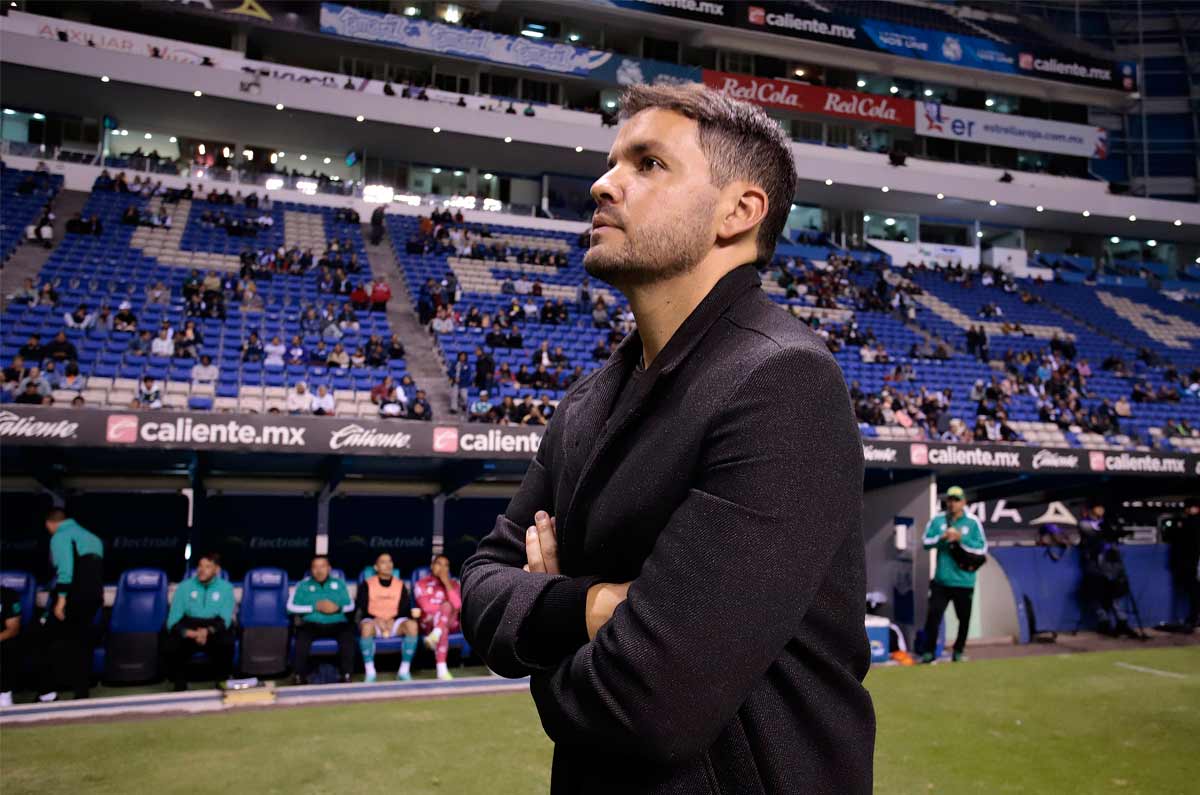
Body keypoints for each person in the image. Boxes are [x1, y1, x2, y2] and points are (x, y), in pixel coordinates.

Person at [460, 83, 873, 794]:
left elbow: (649, 699)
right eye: (614, 160)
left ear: (738, 212)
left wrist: (546, 647)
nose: (602, 183)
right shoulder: (588, 402)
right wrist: (589, 606)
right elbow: (479, 586)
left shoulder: (782, 383)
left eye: (647, 164)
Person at [38, 508, 104, 701]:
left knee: (43, 639)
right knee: (81, 644)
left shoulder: (60, 536)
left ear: (50, 524)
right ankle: (81, 692)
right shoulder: (93, 538)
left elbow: (66, 570)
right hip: (93, 599)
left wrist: (60, 601)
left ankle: (46, 693)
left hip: (72, 598)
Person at [919, 486, 988, 663]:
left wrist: (960, 539)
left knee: (964, 619)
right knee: (933, 617)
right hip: (941, 580)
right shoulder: (938, 520)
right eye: (950, 499)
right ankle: (929, 652)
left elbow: (982, 548)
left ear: (964, 502)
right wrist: (942, 538)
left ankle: (958, 651)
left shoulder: (972, 522)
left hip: (964, 581)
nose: (953, 503)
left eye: (956, 500)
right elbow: (925, 542)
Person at [164, 553, 235, 691]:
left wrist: (207, 631)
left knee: (227, 640)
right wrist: (189, 633)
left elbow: (225, 620)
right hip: (189, 626)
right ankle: (179, 684)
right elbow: (173, 620)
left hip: (213, 628)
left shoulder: (226, 588)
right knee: (171, 642)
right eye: (200, 566)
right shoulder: (184, 587)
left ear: (217, 570)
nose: (202, 570)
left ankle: (222, 682)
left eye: (208, 567)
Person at [288, 556, 355, 684]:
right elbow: (290, 607)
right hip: (312, 624)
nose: (319, 570)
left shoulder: (340, 583)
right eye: (315, 567)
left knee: (347, 635)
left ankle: (346, 675)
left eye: (322, 566)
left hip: (336, 623)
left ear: (329, 568)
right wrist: (314, 607)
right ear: (311, 570)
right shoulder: (302, 585)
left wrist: (337, 608)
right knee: (302, 636)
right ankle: (298, 676)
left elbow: (351, 605)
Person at [1078, 501, 1137, 638]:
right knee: (1096, 593)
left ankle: (1122, 622)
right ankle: (1103, 622)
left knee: (1115, 592)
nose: (1101, 510)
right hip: (1094, 565)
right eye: (1098, 507)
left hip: (1112, 564)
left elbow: (1114, 535)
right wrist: (1108, 530)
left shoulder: (1107, 522)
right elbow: (1094, 535)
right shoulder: (1085, 523)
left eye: (1102, 507)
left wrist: (1115, 530)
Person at [357, 553, 420, 682]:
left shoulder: (400, 584)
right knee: (366, 628)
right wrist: (376, 619)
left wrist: (393, 619)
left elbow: (405, 608)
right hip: (374, 621)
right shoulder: (367, 584)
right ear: (376, 567)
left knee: (412, 626)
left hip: (394, 622)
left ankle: (404, 670)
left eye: (390, 561)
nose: (388, 564)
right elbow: (362, 606)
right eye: (383, 562)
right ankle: (370, 672)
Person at [413, 555, 461, 681]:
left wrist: (446, 584)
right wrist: (443, 611)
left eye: (446, 565)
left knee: (446, 609)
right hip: (428, 622)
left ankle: (436, 634)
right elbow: (426, 608)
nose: (442, 568)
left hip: (451, 623)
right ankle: (441, 669)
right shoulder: (421, 583)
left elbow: (458, 606)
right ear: (432, 566)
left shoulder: (454, 584)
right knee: (444, 618)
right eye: (439, 564)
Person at [0, 583, 24, 706]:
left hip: (3, 638)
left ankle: (4, 694)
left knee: (9, 645)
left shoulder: (8, 594)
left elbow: (13, 628)